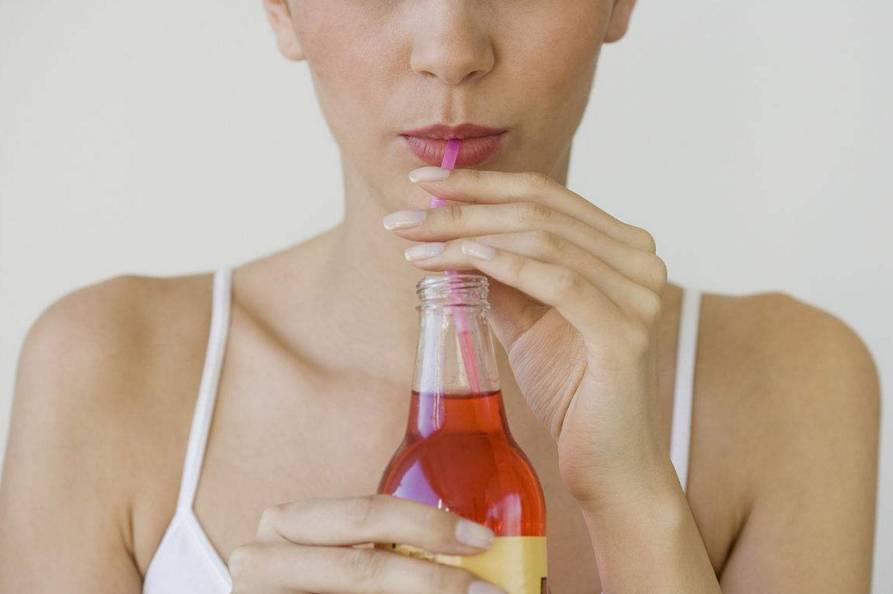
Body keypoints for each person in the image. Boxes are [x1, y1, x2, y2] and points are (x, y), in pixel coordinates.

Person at [0, 0, 881, 592]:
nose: (451, 51)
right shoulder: (103, 366)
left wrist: (634, 503)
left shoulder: (790, 381)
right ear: (280, 7)